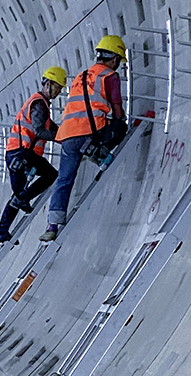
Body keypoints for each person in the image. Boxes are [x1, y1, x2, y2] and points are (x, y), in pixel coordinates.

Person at [40, 35, 129, 242]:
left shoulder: (81, 75)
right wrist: (120, 121)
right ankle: (98, 154)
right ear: (114, 58)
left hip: (67, 135)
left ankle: (52, 225)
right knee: (120, 127)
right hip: (90, 132)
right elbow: (116, 108)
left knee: (64, 180)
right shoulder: (109, 76)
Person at [0, 66, 66, 243]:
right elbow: (41, 131)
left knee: (17, 197)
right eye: (57, 87)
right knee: (50, 174)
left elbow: (50, 127)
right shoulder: (40, 104)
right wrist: (61, 137)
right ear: (47, 84)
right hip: (22, 153)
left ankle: (1, 232)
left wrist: (64, 134)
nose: (58, 91)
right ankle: (20, 202)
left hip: (19, 154)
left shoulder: (39, 104)